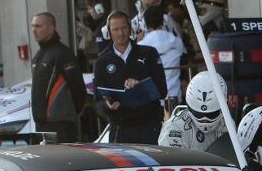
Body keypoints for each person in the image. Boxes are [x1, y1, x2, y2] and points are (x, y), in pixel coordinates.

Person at [93, 11, 167, 144]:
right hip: (120, 129)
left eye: (124, 28)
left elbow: (162, 90)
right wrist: (107, 105)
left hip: (150, 126)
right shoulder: (101, 62)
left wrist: (141, 86)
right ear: (108, 33)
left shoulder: (149, 53)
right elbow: (98, 102)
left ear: (130, 28)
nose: (120, 33)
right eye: (115, 29)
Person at [29, 12, 88, 143]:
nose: (34, 30)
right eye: (33, 26)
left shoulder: (63, 54)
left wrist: (65, 113)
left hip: (61, 126)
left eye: (38, 26)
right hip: (41, 125)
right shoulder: (39, 55)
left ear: (51, 29)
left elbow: (78, 89)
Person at [158, 71, 226, 151]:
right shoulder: (175, 128)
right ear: (189, 106)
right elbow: (171, 159)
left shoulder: (228, 125)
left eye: (211, 114)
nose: (204, 119)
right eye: (198, 114)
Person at [138, 5, 186, 103]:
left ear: (145, 24)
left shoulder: (141, 46)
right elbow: (184, 56)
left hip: (152, 99)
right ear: (163, 21)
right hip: (174, 96)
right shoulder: (176, 41)